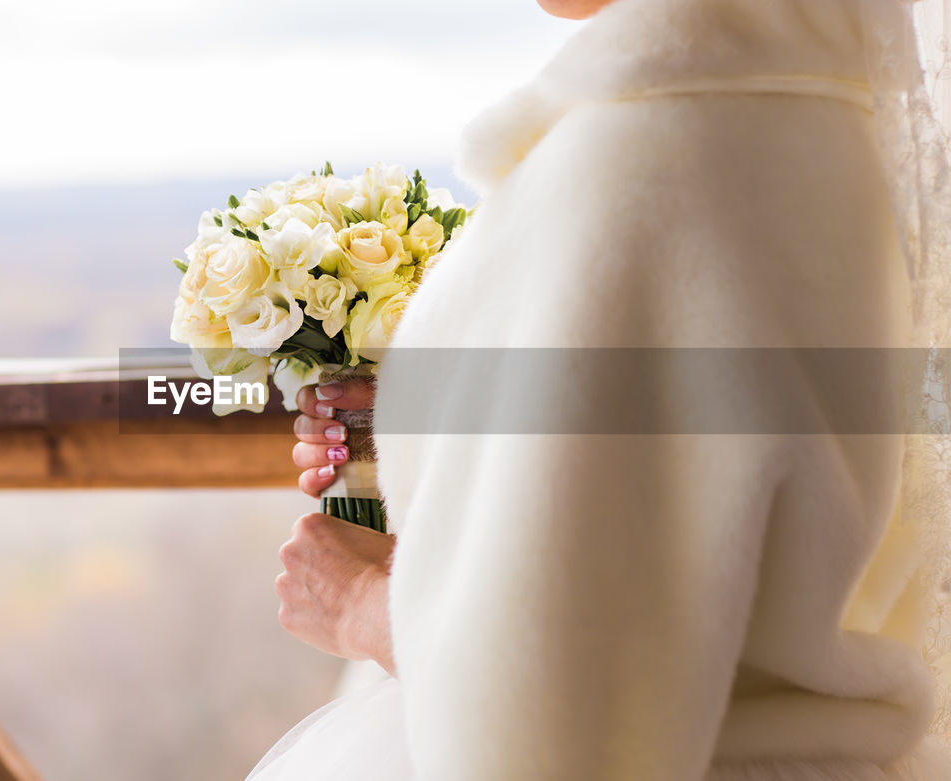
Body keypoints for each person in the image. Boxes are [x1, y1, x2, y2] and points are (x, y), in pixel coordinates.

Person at [252, 0, 951, 778]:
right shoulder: (867, 134)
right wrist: (458, 468)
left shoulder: (649, 154)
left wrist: (360, 607)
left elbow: (546, 728)